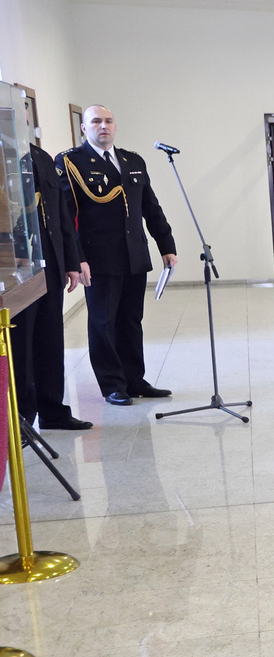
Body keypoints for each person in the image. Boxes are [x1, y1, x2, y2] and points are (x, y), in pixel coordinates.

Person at [56, 105, 177, 406]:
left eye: (108, 121)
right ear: (84, 128)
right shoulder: (71, 162)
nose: (103, 126)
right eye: (95, 121)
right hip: (98, 258)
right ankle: (112, 384)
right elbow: (67, 218)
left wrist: (166, 244)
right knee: (103, 322)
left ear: (115, 126)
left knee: (131, 320)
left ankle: (134, 379)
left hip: (134, 254)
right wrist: (77, 258)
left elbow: (150, 206)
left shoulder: (132, 160)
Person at [12, 140, 90, 431]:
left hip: (50, 265)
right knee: (21, 347)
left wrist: (71, 260)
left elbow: (61, 215)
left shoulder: (40, 156)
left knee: (49, 342)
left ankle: (53, 412)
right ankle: (21, 419)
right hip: (16, 268)